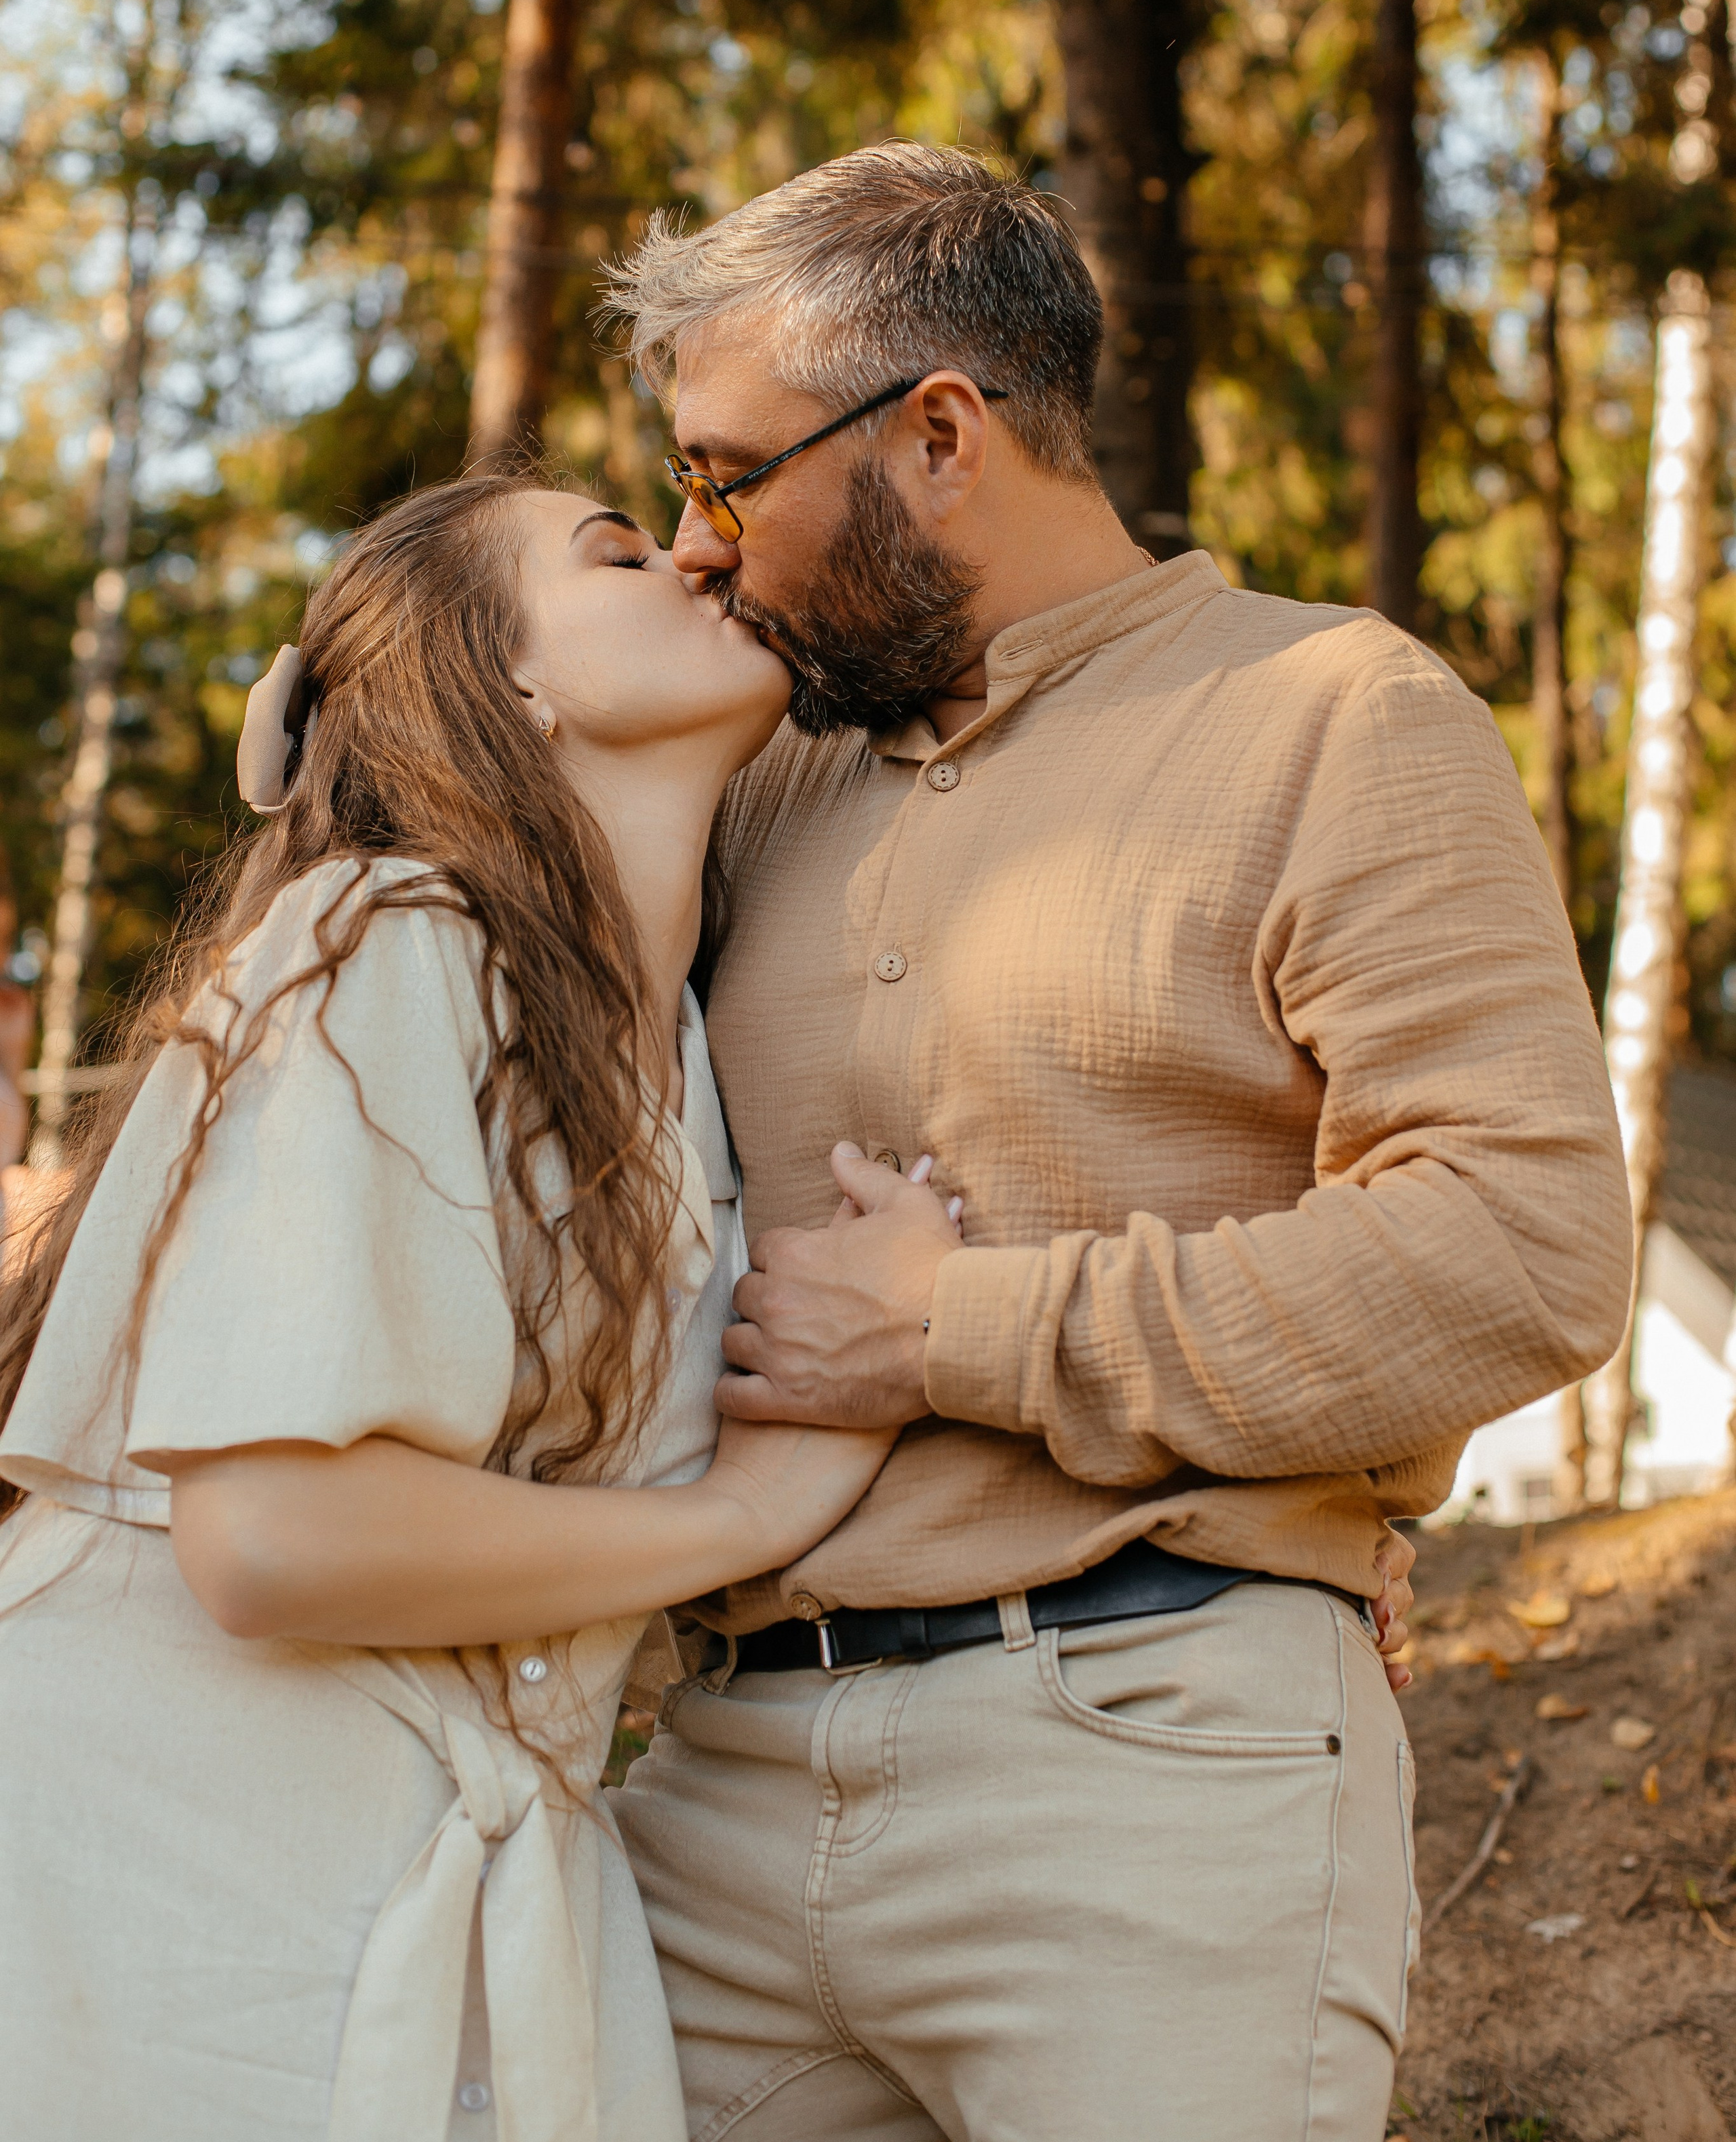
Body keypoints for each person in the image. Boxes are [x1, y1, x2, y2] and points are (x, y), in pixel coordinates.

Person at [604, 143, 1634, 2142]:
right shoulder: (746, 784)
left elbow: (1525, 1246)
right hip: (709, 1782)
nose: (697, 541)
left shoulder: (1338, 715)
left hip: (1153, 1757)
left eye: (728, 472)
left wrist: (958, 1333)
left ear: (937, 434)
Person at [0, 467, 911, 2142]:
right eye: (622, 551)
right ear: (508, 682)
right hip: (162, 1874)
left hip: (405, 1863)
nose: (708, 542)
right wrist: (742, 1511)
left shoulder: (676, 1058)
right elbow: (274, 1537)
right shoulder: (388, 936)